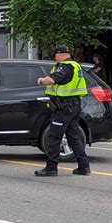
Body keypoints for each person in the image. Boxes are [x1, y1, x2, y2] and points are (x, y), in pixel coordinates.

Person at [35, 46, 90, 176]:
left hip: (63, 108)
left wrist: (41, 80)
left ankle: (51, 168)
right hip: (74, 106)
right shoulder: (76, 66)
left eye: (56, 54)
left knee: (54, 137)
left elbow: (52, 80)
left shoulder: (63, 66)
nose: (55, 57)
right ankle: (84, 166)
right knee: (73, 136)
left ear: (61, 54)